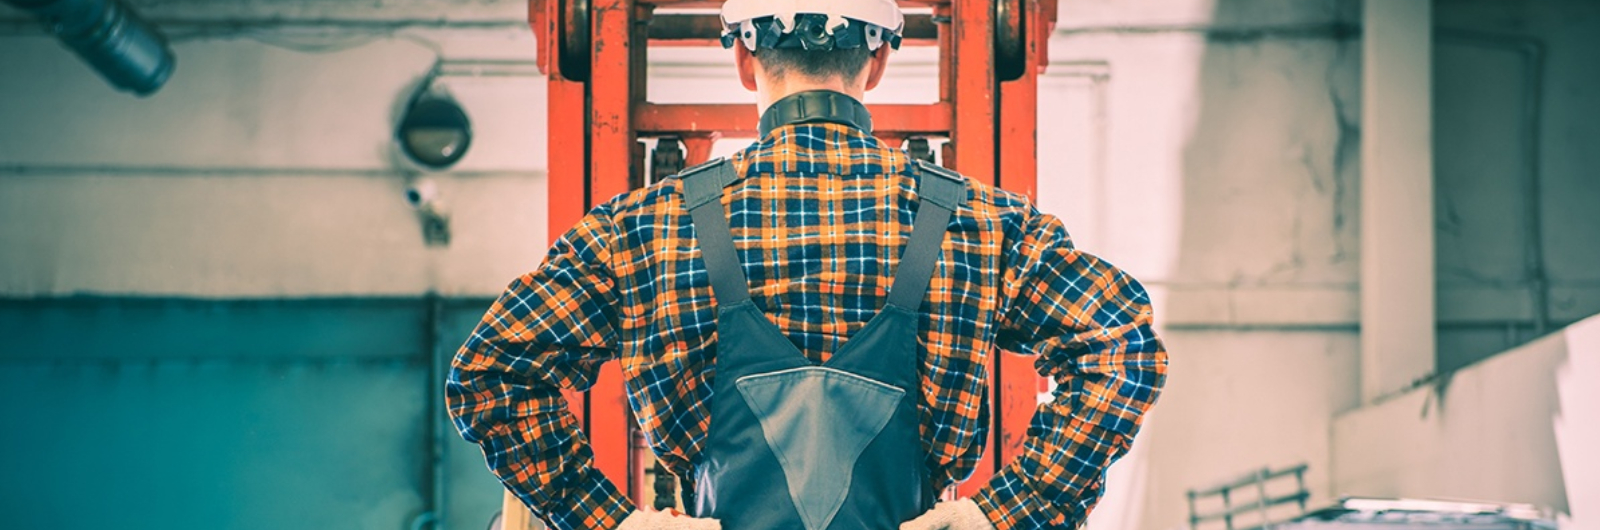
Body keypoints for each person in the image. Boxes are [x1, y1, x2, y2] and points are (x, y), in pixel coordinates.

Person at [447, 1, 1169, 528]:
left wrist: (613, 522)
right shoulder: (983, 223)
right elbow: (1124, 346)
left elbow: (490, 375)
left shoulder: (640, 228)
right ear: (880, 60)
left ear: (741, 57)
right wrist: (1003, 514)